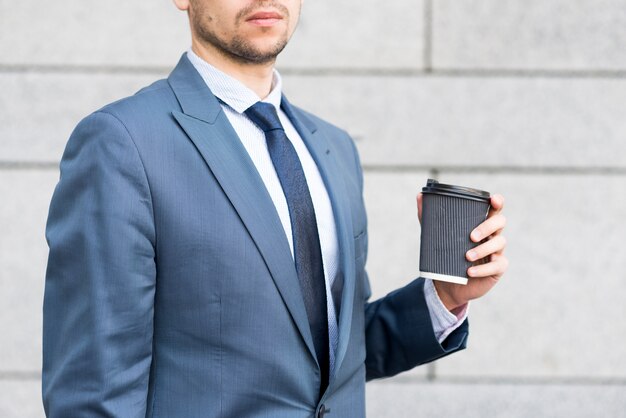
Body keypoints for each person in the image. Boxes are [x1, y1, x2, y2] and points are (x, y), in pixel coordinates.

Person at [42, 1, 508, 417]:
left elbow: (328, 359)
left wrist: (444, 299)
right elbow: (92, 391)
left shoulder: (334, 148)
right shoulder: (122, 142)